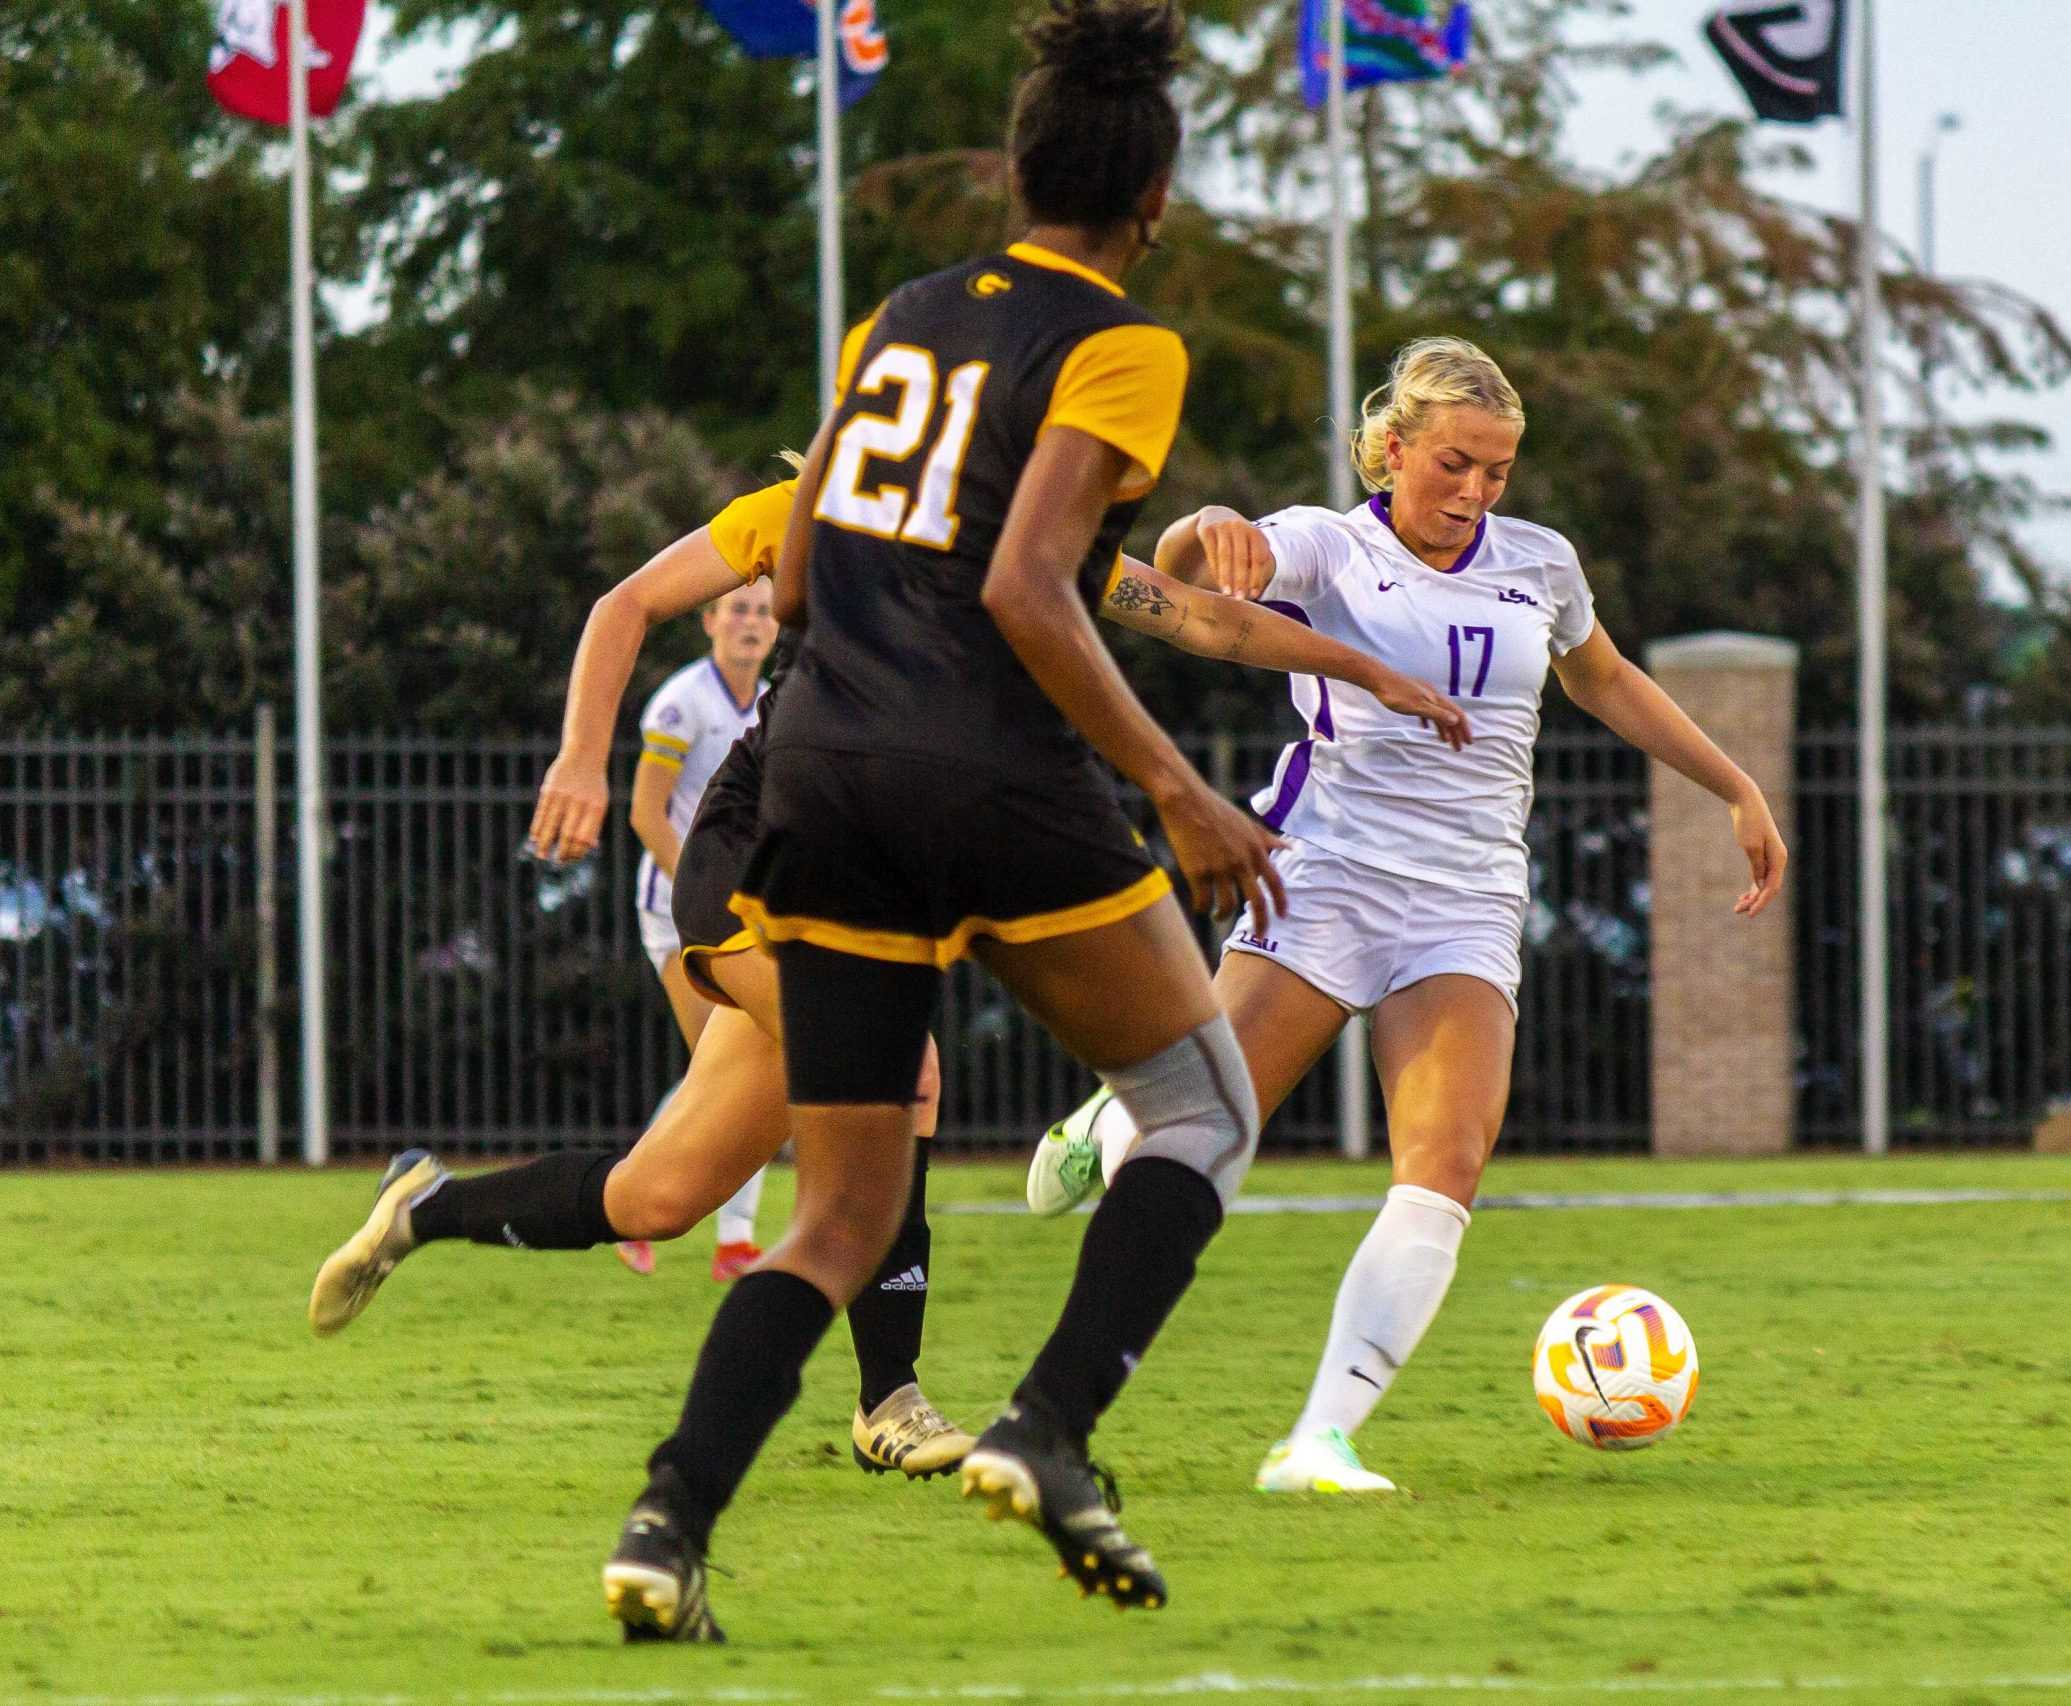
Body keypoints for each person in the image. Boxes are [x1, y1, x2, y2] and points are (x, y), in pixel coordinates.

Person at [305, 470, 1464, 1493]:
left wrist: (1370, 671)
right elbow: (626, 604)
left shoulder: (1038, 537)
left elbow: (1211, 623)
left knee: (661, 1196)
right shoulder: (822, 504)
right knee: (901, 1063)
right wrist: (578, 755)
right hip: (752, 855)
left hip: (862, 876)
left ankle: (427, 1205)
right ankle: (889, 1402)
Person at [592, 0, 1300, 1638]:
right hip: (983, 766)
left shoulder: (900, 317)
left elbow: (787, 568)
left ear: (1018, 166)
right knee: (1201, 1110)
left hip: (824, 765)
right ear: (1154, 200)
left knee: (836, 1213)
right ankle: (1050, 1429)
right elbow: (1032, 582)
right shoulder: (1124, 338)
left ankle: (666, 1525)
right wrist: (1181, 786)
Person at [1025, 335, 1788, 1497]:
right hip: (1326, 876)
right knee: (1210, 1120)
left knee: (1444, 1165)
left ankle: (1319, 1439)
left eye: (1496, 471)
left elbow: (1607, 677)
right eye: (1454, 463)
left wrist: (1734, 782)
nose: (1476, 491)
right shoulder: (1331, 543)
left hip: (1468, 902)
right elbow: (1187, 595)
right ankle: (1107, 1125)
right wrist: (1205, 522)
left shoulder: (1540, 564)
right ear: (1391, 448)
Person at [623, 578, 778, 1282]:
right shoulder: (682, 701)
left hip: (741, 909)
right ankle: (641, 1203)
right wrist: (704, 891)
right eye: (738, 609)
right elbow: (646, 814)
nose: (752, 621)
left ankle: (712, 1232)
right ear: (709, 620)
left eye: (763, 611)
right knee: (722, 1075)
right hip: (678, 910)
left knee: (725, 1075)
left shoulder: (775, 694)